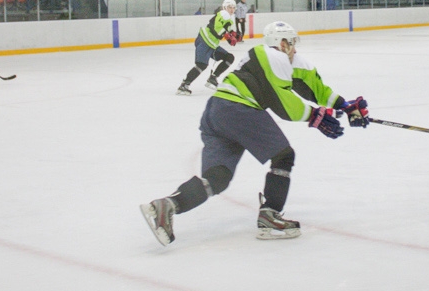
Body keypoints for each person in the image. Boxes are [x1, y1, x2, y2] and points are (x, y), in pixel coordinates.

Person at [140, 21, 369, 245]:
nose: (295, 48)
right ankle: (270, 215)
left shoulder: (280, 58)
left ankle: (167, 205)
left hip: (216, 112)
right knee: (284, 156)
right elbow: (284, 105)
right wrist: (315, 116)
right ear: (281, 43)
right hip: (238, 109)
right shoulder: (273, 56)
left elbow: (315, 87)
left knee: (217, 178)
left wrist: (345, 106)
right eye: (291, 42)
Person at [177, 0, 239, 94]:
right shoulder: (224, 14)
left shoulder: (227, 18)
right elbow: (217, 28)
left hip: (212, 44)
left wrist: (232, 34)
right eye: (229, 7)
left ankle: (212, 78)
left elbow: (226, 28)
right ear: (224, 7)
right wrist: (229, 36)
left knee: (229, 57)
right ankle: (184, 85)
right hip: (205, 41)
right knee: (201, 65)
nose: (232, 9)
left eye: (233, 7)